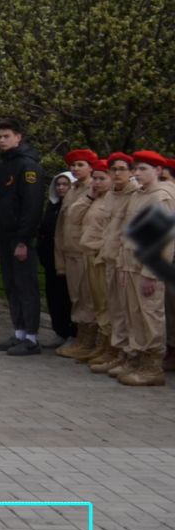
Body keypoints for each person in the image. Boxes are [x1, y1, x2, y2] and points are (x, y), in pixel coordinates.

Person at [0, 120, 47, 356]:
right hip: (5, 237)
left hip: (21, 238)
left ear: (18, 137)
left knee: (25, 286)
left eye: (6, 136)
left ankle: (32, 336)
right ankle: (19, 331)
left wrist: (23, 239)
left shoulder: (28, 166)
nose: (2, 140)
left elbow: (31, 207)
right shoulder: (4, 166)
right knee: (11, 286)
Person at [114, 152, 173, 386]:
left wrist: (152, 273)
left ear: (158, 171)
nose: (137, 174)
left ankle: (152, 367)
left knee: (150, 317)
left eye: (143, 169)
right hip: (130, 264)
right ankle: (135, 358)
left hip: (147, 268)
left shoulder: (161, 197)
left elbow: (165, 240)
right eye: (136, 169)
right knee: (133, 315)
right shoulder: (139, 195)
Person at [85, 154, 136, 375]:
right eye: (113, 169)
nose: (117, 173)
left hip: (125, 261)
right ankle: (115, 351)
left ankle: (127, 355)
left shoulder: (135, 195)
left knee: (127, 312)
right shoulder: (112, 196)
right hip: (107, 256)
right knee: (112, 309)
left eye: (121, 169)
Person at [55, 151, 102, 361]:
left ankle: (90, 341)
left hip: (86, 252)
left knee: (88, 298)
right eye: (73, 165)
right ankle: (81, 338)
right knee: (77, 298)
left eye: (80, 164)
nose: (75, 169)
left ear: (91, 167)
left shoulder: (95, 188)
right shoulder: (73, 189)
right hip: (70, 250)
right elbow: (62, 225)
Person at [38, 170, 76, 347]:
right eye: (58, 184)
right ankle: (59, 330)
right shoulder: (53, 206)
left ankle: (73, 333)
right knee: (54, 297)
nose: (61, 188)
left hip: (69, 260)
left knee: (69, 297)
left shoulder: (74, 206)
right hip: (51, 259)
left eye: (65, 184)